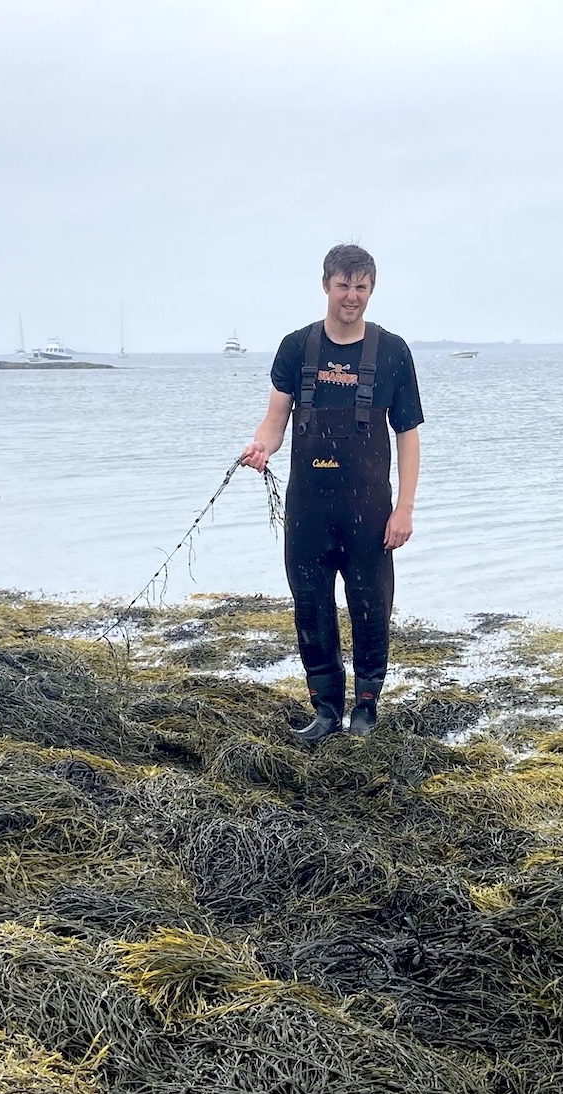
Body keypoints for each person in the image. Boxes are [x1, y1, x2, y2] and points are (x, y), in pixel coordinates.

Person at [241, 244, 422, 741]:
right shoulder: (296, 348)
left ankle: (365, 709)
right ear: (326, 285)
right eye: (343, 285)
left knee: (371, 607)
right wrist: (261, 448)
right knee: (311, 606)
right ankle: (324, 710)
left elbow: (407, 435)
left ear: (371, 289)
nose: (352, 296)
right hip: (308, 511)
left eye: (361, 287)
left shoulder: (392, 351)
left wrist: (404, 508)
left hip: (369, 511)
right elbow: (275, 422)